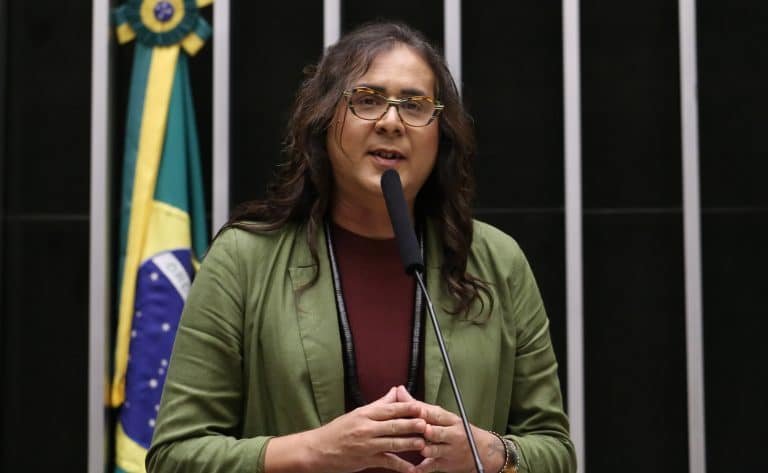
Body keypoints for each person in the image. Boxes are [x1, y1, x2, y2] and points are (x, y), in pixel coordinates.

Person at [146, 22, 576, 473]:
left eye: (415, 105)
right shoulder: (243, 260)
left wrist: (490, 454)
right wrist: (315, 451)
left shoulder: (497, 262)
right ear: (326, 119)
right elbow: (175, 457)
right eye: (368, 100)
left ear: (440, 134)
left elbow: (555, 451)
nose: (391, 122)